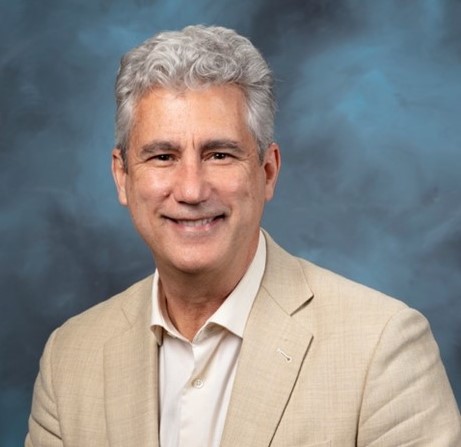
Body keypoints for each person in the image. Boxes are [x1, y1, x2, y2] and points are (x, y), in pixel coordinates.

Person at [26, 25, 460, 447]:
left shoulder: (381, 347)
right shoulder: (71, 358)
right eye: (163, 156)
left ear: (267, 171)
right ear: (122, 176)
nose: (192, 190)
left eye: (219, 154)